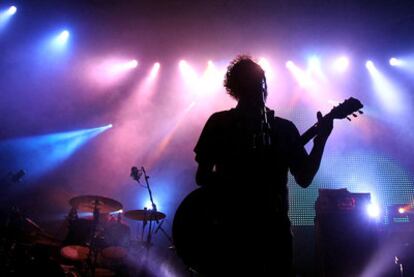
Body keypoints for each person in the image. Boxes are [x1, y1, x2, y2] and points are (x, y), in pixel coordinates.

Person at [193, 55, 333, 276]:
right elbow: (201, 178)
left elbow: (304, 178)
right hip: (231, 231)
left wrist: (321, 140)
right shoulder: (219, 123)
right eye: (253, 81)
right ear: (236, 87)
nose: (259, 86)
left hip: (274, 233)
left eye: (260, 80)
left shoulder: (283, 128)